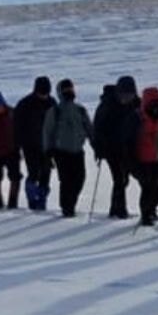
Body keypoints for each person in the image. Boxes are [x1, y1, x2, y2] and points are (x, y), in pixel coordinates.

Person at [42, 79, 94, 218]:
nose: (69, 92)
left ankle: (70, 204)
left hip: (78, 151)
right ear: (59, 93)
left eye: (70, 89)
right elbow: (48, 132)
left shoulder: (81, 110)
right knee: (66, 180)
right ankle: (67, 207)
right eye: (65, 90)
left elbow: (90, 129)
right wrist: (48, 151)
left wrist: (97, 145)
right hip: (61, 152)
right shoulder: (54, 111)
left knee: (80, 179)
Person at [94, 77, 139, 220]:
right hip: (111, 149)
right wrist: (99, 148)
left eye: (130, 95)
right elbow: (97, 127)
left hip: (128, 149)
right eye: (124, 95)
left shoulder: (137, 104)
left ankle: (116, 209)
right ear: (118, 93)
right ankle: (119, 211)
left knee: (124, 179)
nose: (126, 99)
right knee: (119, 179)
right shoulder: (107, 104)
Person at [123, 87, 158, 226]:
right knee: (148, 188)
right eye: (153, 105)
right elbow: (128, 142)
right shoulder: (136, 118)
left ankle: (151, 210)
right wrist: (132, 164)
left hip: (157, 160)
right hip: (141, 161)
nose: (156, 108)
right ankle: (146, 216)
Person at [14, 76, 56, 211]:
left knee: (46, 174)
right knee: (33, 173)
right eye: (41, 93)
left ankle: (42, 201)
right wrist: (18, 144)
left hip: (47, 146)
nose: (44, 96)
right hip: (30, 145)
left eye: (46, 93)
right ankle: (32, 199)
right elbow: (16, 125)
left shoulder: (52, 103)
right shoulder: (25, 104)